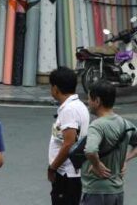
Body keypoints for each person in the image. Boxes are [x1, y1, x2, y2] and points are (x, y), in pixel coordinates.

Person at [81, 80, 137, 205]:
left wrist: (96, 165)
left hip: (96, 191)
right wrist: (125, 159)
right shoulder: (125, 124)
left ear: (97, 101)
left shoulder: (97, 126)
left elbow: (90, 150)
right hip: (117, 191)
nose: (88, 102)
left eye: (89, 98)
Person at [47, 66, 90, 205]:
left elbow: (69, 143)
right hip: (72, 173)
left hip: (66, 173)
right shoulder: (78, 105)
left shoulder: (69, 110)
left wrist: (53, 167)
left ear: (55, 88)